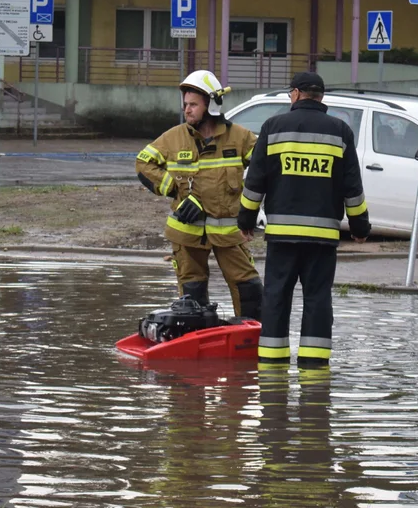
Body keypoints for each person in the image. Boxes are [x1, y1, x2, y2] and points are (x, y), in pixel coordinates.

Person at [237, 71, 370, 367]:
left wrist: (245, 220)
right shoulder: (340, 131)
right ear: (320, 96)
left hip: (282, 237)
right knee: (318, 300)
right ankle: (314, 370)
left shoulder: (273, 127)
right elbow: (353, 189)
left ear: (295, 94)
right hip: (322, 239)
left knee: (275, 299)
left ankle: (272, 368)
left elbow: (255, 182)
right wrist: (360, 227)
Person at [135, 70, 263, 319]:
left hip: (229, 236)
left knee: (248, 289)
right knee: (192, 297)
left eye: (193, 104)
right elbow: (143, 163)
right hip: (186, 233)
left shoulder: (239, 138)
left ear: (211, 104)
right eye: (185, 105)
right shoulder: (173, 138)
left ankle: (250, 339)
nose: (187, 110)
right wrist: (174, 188)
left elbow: (263, 169)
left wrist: (252, 209)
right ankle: (200, 341)